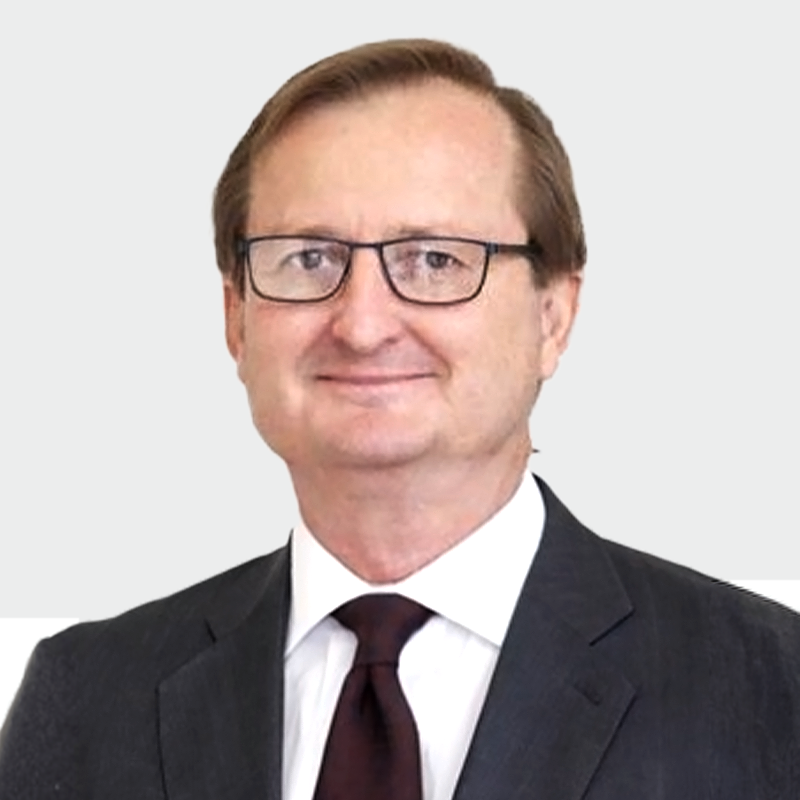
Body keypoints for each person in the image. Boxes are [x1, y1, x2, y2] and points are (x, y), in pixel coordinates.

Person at [1, 38, 799, 800]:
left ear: (553, 316)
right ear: (236, 318)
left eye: (436, 260)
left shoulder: (771, 689)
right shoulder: (87, 699)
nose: (363, 323)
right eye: (308, 259)